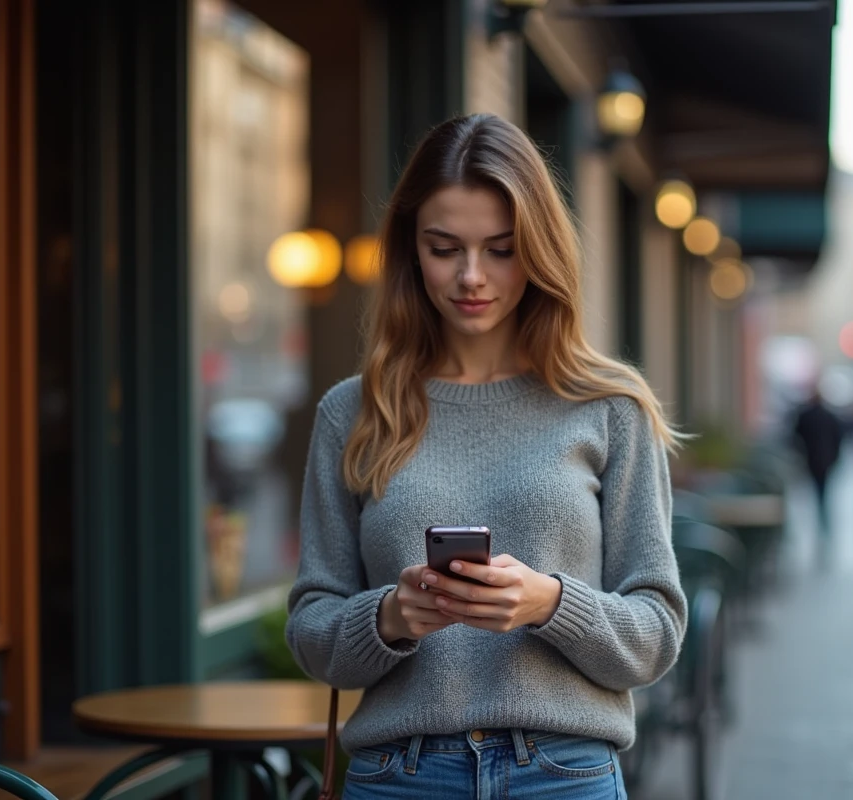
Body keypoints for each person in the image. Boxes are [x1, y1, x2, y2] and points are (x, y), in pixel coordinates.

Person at [284, 113, 687, 799]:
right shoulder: (352, 412)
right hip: (398, 776)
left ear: (538, 249)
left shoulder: (610, 409)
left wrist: (548, 603)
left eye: (501, 249)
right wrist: (390, 617)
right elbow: (312, 630)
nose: (472, 276)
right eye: (445, 248)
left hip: (563, 774)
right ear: (411, 249)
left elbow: (656, 635)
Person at [792, 387, 845, 549]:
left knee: (819, 496)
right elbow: (838, 439)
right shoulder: (830, 416)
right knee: (824, 496)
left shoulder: (805, 416)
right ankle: (824, 528)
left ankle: (822, 528)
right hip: (826, 462)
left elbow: (795, 439)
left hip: (812, 461)